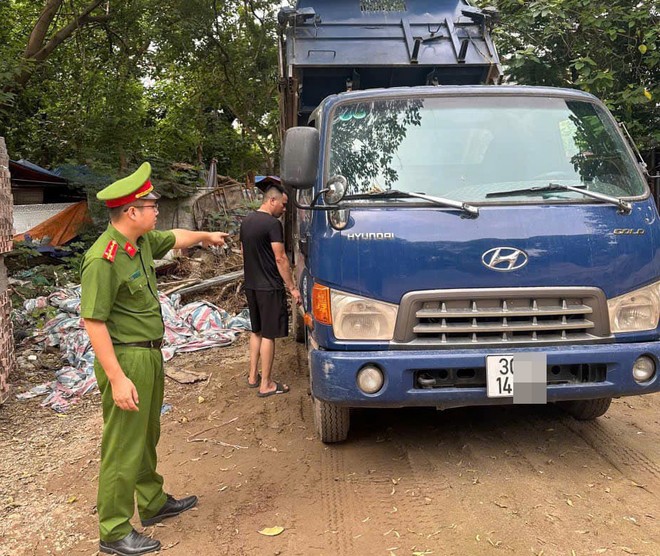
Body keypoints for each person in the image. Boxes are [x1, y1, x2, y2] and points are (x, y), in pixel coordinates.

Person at [80, 162, 229, 556]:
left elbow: (175, 237)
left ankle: (152, 502)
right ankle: (112, 530)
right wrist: (116, 378)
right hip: (126, 360)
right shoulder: (103, 259)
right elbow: (93, 322)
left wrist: (205, 236)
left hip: (149, 355)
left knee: (146, 435)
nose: (156, 209)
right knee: (122, 444)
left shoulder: (140, 242)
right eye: (151, 204)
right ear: (131, 212)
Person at [240, 184, 302, 397]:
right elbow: (280, 257)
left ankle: (252, 376)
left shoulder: (246, 221)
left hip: (251, 285)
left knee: (256, 331)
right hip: (269, 287)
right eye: (283, 205)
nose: (284, 209)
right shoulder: (272, 224)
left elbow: (244, 253)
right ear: (272, 200)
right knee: (268, 335)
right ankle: (266, 384)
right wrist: (292, 288)